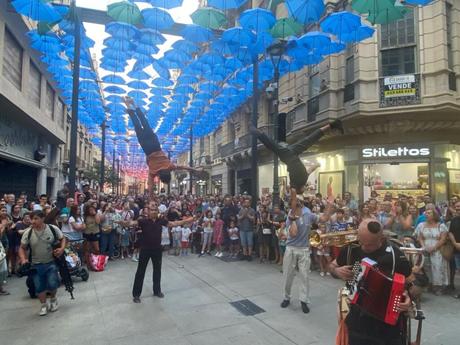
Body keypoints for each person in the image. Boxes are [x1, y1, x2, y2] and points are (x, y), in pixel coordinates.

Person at [329, 219, 413, 345]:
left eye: (368, 244)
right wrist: (336, 271)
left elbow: (411, 282)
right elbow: (331, 266)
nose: (363, 247)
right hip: (357, 321)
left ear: (382, 239)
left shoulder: (395, 256)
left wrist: (409, 298)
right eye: (361, 242)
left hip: (387, 327)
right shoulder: (352, 249)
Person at [124, 97, 200, 190]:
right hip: (147, 148)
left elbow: (184, 167)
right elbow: (150, 185)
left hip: (155, 145)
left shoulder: (170, 166)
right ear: (160, 177)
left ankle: (134, 104)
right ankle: (128, 105)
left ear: (168, 174)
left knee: (145, 123)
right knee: (137, 126)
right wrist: (151, 198)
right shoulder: (153, 172)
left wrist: (194, 169)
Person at [250, 121, 343, 194]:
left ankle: (257, 132)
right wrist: (317, 165)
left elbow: (309, 170)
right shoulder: (303, 180)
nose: (305, 188)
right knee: (308, 140)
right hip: (290, 154)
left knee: (308, 140)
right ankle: (333, 125)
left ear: (300, 189)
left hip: (289, 155)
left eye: (303, 189)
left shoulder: (297, 183)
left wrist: (316, 165)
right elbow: (311, 169)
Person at [281, 188, 331, 314]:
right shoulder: (290, 215)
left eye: (298, 201)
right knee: (288, 276)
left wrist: (330, 206)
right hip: (291, 249)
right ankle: (286, 297)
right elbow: (293, 233)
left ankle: (304, 300)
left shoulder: (308, 213)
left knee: (304, 276)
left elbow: (323, 219)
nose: (296, 202)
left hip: (304, 249)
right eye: (294, 200)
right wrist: (292, 220)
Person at [130, 205, 192, 303]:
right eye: (152, 210)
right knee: (140, 272)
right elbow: (131, 223)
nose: (153, 211)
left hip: (157, 249)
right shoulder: (143, 221)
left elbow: (173, 223)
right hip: (145, 250)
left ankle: (157, 291)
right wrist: (122, 222)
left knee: (157, 270)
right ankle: (136, 295)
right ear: (148, 212)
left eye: (155, 210)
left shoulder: (161, 221)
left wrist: (186, 220)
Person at [18, 211, 65, 316]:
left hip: (51, 262)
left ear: (43, 218)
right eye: (32, 219)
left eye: (35, 218)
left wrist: (61, 249)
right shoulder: (28, 232)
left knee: (53, 283)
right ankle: (43, 305)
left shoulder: (52, 229)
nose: (33, 221)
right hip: (35, 265)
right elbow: (22, 248)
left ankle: (53, 299)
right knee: (39, 287)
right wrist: (23, 259)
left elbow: (62, 239)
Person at [416, 209, 449, 295]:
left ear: (434, 215)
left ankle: (439, 287)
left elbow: (443, 239)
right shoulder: (421, 225)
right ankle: (429, 284)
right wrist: (423, 246)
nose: (426, 214)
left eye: (429, 213)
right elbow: (419, 237)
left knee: (438, 267)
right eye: (426, 213)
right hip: (425, 248)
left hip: (437, 249)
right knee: (427, 268)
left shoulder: (441, 226)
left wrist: (434, 248)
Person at [448, 201, 460, 297]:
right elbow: (450, 232)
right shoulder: (454, 219)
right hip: (457, 249)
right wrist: (455, 243)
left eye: (459, 206)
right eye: (456, 207)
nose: (458, 208)